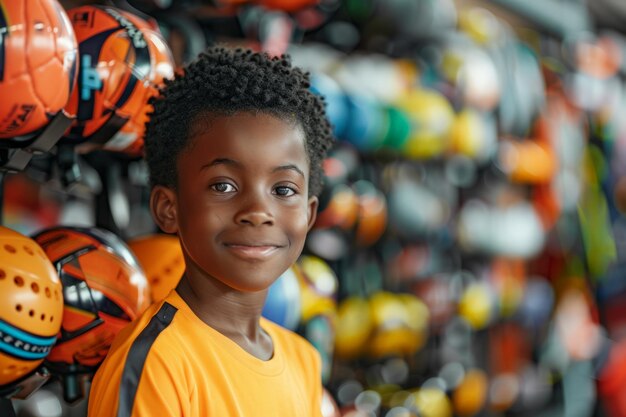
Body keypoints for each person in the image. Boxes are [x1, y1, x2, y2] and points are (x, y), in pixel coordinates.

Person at [87, 46, 334, 417]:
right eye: (224, 186)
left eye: (283, 189)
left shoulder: (303, 360)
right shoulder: (158, 364)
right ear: (168, 208)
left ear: (309, 213)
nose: (257, 212)